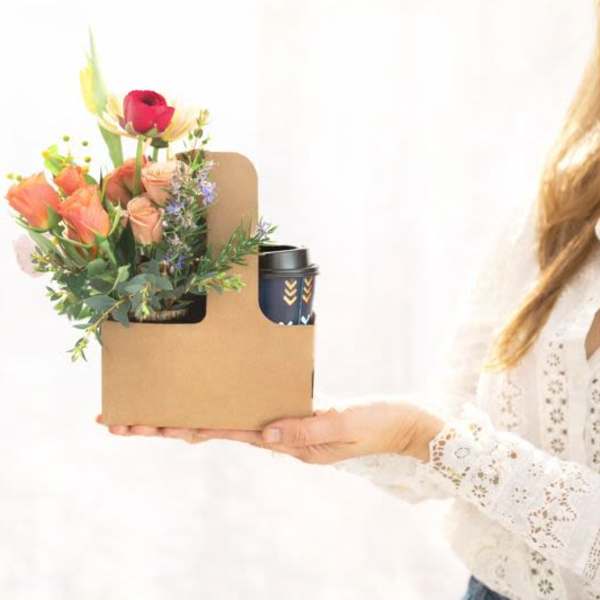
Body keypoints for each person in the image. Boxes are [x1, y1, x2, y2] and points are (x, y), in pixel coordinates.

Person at [97, 7, 600, 599]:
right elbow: (456, 430)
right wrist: (287, 416)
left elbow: (443, 440)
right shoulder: (562, 208)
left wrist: (422, 436)